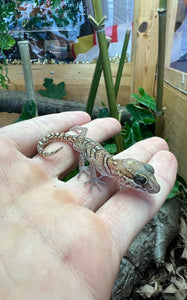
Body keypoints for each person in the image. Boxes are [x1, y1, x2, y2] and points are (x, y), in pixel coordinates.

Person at [0, 111, 177, 299]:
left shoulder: (114, 168)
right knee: (83, 151)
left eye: (145, 175)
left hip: (85, 141)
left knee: (84, 146)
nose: (148, 184)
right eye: (141, 180)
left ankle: (77, 136)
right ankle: (68, 144)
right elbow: (92, 160)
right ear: (123, 176)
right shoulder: (107, 168)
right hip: (82, 144)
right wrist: (86, 171)